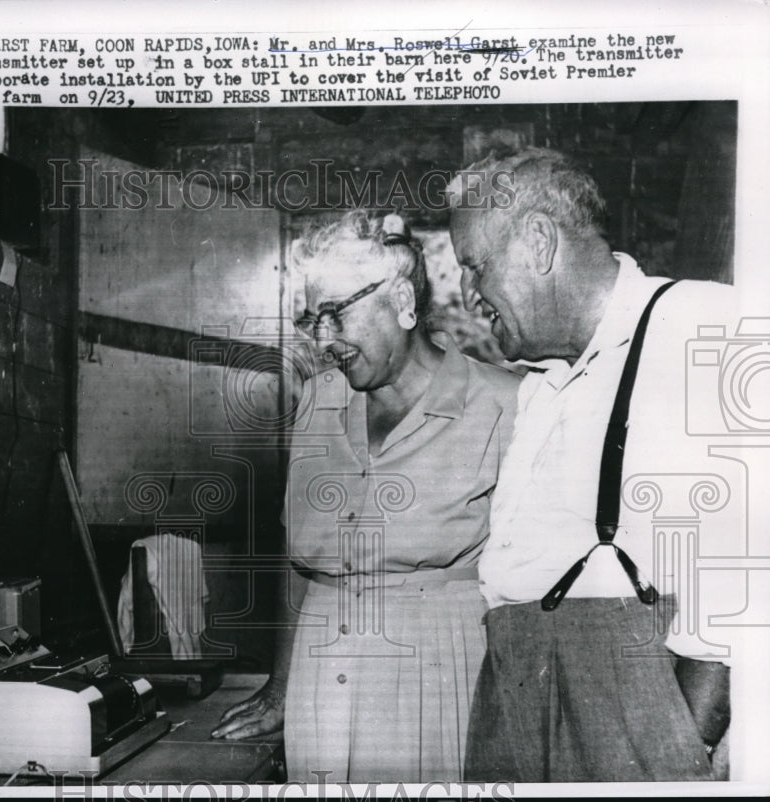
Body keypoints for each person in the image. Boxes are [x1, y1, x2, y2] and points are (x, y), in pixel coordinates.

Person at [448, 147, 738, 782]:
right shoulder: (541, 382)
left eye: (475, 266)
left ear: (539, 241)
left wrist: (680, 745)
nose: (469, 295)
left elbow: (746, 574)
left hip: (631, 710)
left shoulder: (698, 325)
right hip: (519, 690)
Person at [210, 210, 519, 782]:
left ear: (402, 297)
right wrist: (280, 689)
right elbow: (298, 560)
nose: (324, 340)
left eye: (336, 313)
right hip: (318, 675)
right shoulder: (318, 401)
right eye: (311, 320)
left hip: (440, 672)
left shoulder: (506, 404)